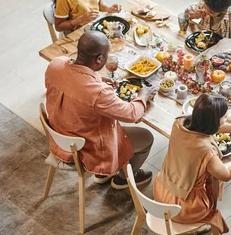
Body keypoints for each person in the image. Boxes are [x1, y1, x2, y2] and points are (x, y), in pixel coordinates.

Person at [44, 31, 158, 189]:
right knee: (146, 137)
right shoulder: (98, 93)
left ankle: (103, 175)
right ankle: (123, 179)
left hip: (60, 137)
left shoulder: (55, 64)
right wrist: (143, 95)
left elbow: (74, 83)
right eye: (106, 55)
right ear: (99, 59)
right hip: (88, 151)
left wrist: (97, 80)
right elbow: (133, 114)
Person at [154, 94, 231, 234]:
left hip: (161, 189)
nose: (225, 120)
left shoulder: (179, 123)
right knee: (212, 201)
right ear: (214, 121)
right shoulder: (206, 150)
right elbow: (226, 175)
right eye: (224, 118)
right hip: (182, 208)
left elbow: (211, 127)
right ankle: (196, 226)